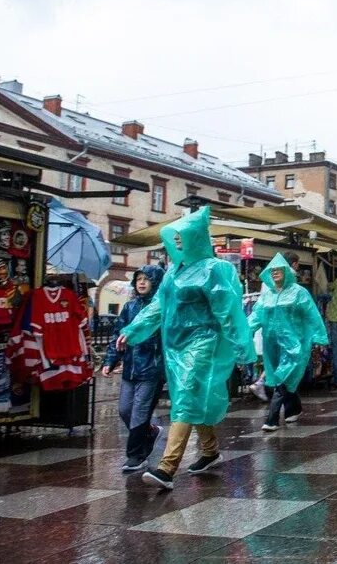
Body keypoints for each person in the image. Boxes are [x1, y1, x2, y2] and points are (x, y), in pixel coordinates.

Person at [117, 206, 254, 491]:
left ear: (197, 237)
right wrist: (131, 330)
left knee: (188, 394)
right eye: (175, 237)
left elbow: (228, 311)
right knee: (191, 396)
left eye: (184, 236)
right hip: (176, 346)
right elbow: (157, 307)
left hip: (205, 341)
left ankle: (167, 468)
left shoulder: (217, 269)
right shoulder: (173, 273)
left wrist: (242, 348)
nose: (178, 241)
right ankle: (209, 450)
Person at [248, 254, 328, 432]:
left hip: (294, 344)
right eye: (272, 270)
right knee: (282, 378)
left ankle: (273, 418)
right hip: (272, 346)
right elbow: (255, 316)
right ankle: (295, 408)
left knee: (282, 377)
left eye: (279, 270)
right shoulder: (266, 295)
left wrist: (319, 337)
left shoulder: (299, 292)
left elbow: (312, 315)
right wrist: (243, 332)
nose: (275, 273)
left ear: (286, 271)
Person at [103, 265, 165, 472]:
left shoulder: (162, 307)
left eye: (147, 279)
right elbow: (117, 335)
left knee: (140, 411)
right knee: (124, 410)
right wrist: (110, 360)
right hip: (130, 367)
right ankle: (151, 431)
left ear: (156, 282)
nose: (141, 282)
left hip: (152, 368)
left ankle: (136, 456)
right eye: (138, 278)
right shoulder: (129, 307)